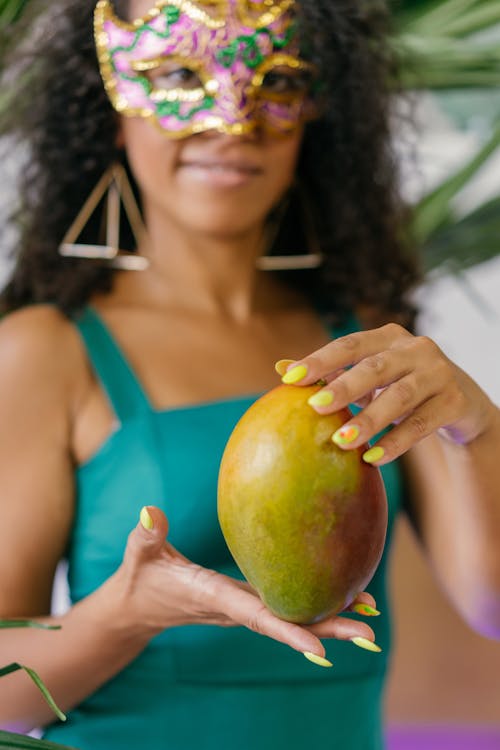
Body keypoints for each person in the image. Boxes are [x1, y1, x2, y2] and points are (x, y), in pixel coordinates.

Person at [0, 0, 499, 748]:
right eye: (178, 74)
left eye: (277, 81)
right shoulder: (44, 351)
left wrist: (477, 424)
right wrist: (127, 611)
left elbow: (490, 608)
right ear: (107, 104)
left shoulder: (362, 341)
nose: (235, 119)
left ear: (317, 115)